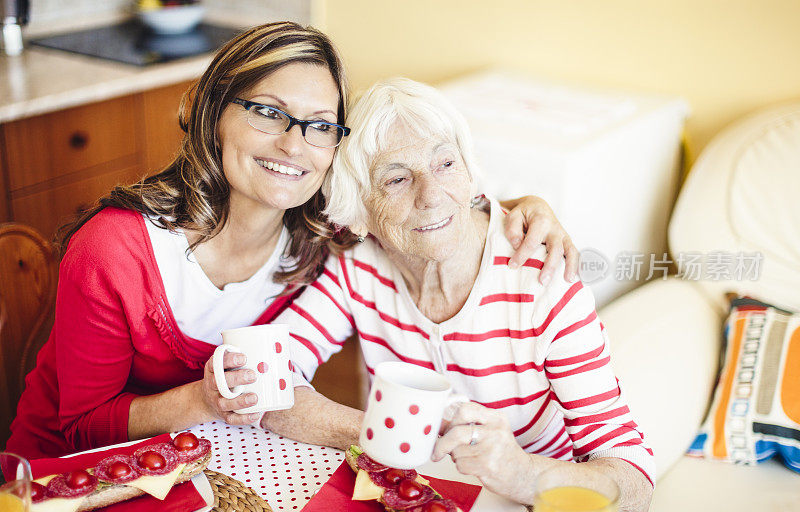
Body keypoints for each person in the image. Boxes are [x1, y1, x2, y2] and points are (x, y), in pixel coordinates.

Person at [6, 22, 576, 460]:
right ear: (214, 114)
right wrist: (201, 402)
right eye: (267, 113)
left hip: (202, 467)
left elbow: (423, 200)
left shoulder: (320, 237)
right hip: (62, 482)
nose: (294, 145)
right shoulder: (115, 250)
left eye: (320, 124)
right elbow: (76, 426)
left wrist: (520, 209)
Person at [266, 78, 654, 512]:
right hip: (408, 506)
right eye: (396, 179)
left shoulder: (544, 282)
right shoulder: (359, 266)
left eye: (446, 163)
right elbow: (269, 378)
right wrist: (390, 429)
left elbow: (637, 485)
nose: (432, 196)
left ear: (471, 174)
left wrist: (521, 472)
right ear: (358, 211)